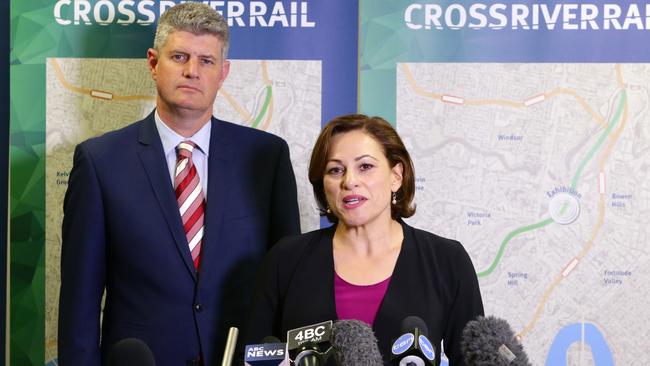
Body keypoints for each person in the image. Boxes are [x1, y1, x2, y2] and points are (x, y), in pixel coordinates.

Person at [58, 3, 300, 365]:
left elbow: (287, 286)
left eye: (207, 61)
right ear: (154, 63)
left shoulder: (266, 158)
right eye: (180, 56)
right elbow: (80, 303)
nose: (192, 71)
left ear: (223, 72)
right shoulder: (99, 163)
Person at [245, 114, 483, 364]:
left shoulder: (448, 260)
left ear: (396, 176)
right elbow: (250, 356)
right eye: (335, 170)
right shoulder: (285, 259)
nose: (349, 181)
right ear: (324, 185)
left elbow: (472, 360)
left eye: (365, 167)